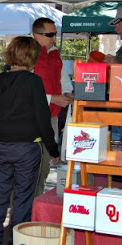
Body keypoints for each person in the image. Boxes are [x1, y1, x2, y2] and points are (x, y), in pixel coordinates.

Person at [0, 36, 60, 245]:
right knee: (23, 198)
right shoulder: (34, 82)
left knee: (0, 195)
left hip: (2, 145)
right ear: (32, 57)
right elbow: (44, 121)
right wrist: (53, 149)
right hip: (27, 147)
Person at [31, 17, 73, 196]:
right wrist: (52, 99)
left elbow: (64, 82)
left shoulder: (55, 55)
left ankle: (35, 205)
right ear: (36, 35)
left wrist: (68, 94)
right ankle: (22, 212)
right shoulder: (28, 55)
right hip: (31, 119)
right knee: (30, 166)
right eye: (50, 34)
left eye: (55, 34)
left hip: (52, 118)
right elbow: (23, 91)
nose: (54, 38)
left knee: (45, 165)